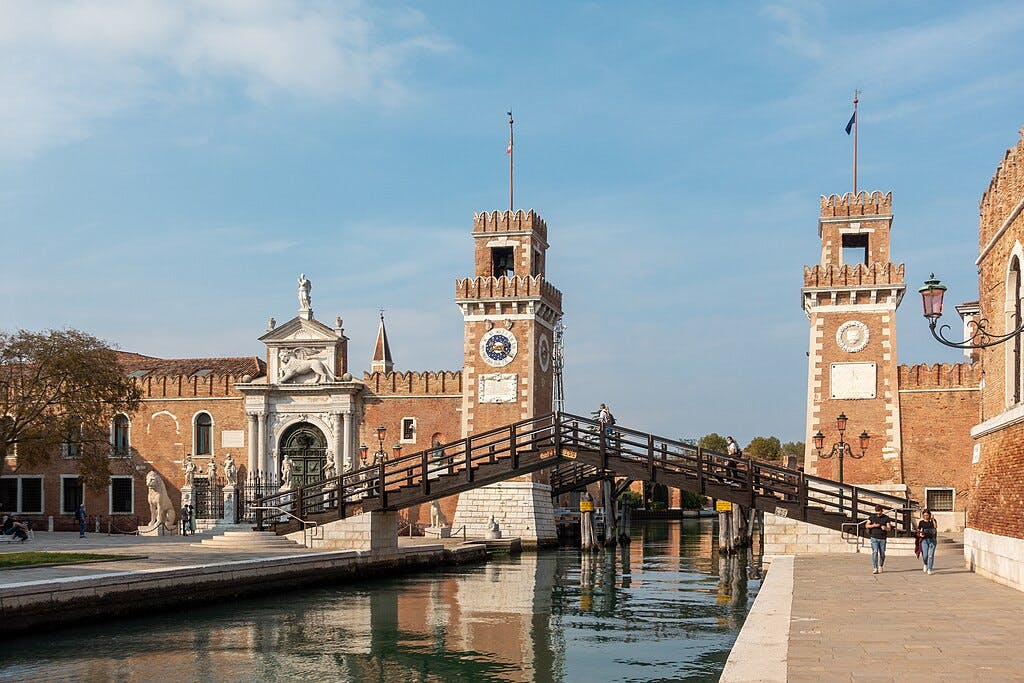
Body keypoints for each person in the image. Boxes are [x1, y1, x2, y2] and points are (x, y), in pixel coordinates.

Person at [865, 504, 893, 574]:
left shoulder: (886, 518)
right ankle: (875, 567)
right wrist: (873, 525)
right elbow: (867, 525)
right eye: (877, 512)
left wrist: (885, 528)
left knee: (882, 553)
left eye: (879, 512)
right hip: (874, 537)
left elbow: (889, 528)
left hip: (882, 538)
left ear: (882, 511)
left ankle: (881, 565)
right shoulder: (872, 517)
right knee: (875, 552)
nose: (878, 514)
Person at [918, 509, 938, 575]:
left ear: (929, 515)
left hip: (932, 540)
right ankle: (925, 563)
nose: (925, 516)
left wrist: (933, 519)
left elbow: (935, 527)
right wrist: (920, 534)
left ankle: (929, 569)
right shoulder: (921, 522)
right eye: (924, 515)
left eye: (927, 515)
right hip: (924, 540)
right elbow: (918, 530)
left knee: (931, 555)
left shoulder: (933, 521)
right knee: (925, 555)